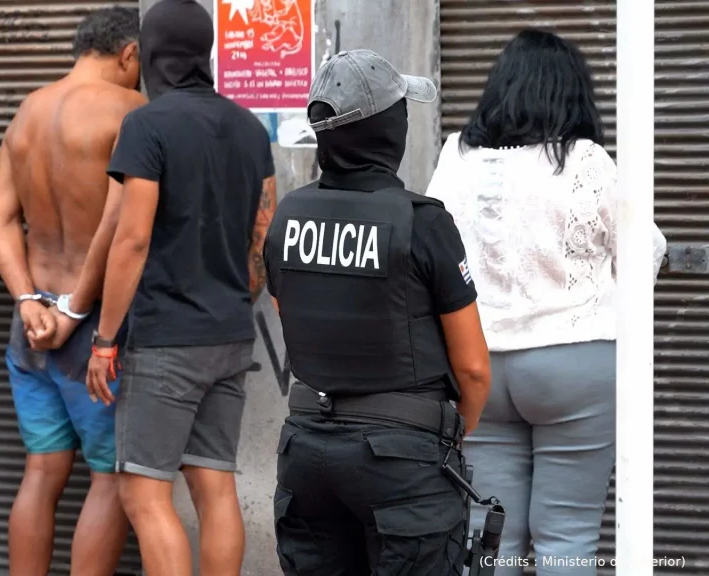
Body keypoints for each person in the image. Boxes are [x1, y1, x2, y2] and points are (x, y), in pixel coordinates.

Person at [425, 29, 667, 574]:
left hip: (477, 364)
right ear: (571, 93)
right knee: (567, 537)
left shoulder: (455, 156)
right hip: (575, 365)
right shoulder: (583, 159)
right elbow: (646, 249)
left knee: (490, 534)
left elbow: (430, 249)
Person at [261, 49, 492, 574]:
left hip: (305, 456)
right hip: (403, 467)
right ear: (391, 130)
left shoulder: (287, 217)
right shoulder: (424, 222)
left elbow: (292, 318)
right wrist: (445, 434)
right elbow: (474, 368)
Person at [69, 1, 276, 574]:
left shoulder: (147, 125)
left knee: (142, 493)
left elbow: (130, 241)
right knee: (214, 487)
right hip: (231, 335)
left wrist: (106, 338)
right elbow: (263, 241)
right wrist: (232, 300)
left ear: (154, 53)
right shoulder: (248, 127)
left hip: (165, 340)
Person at [0, 7, 145, 576]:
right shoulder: (131, 111)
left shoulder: (27, 110)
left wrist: (28, 299)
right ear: (129, 54)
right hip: (93, 329)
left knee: (41, 473)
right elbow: (120, 227)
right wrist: (76, 309)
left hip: (30, 329)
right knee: (111, 479)